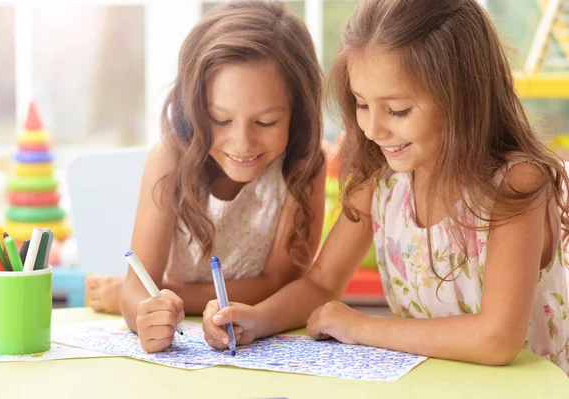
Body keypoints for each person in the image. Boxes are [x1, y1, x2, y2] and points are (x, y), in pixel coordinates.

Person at [202, 0, 569, 374]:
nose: (372, 129)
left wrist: (361, 326)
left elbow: (497, 338)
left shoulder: (516, 183)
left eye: (397, 110)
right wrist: (255, 319)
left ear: (465, 99)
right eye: (362, 104)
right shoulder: (381, 178)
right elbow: (321, 283)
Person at [87, 0, 326, 353]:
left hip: (254, 334)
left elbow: (280, 284)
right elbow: (139, 288)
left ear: (298, 112)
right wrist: (144, 313)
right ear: (194, 107)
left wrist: (168, 296)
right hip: (184, 345)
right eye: (220, 119)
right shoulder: (170, 158)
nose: (242, 143)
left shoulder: (303, 166)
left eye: (266, 122)